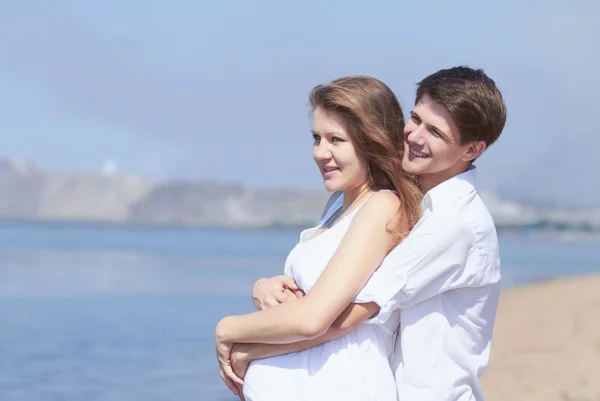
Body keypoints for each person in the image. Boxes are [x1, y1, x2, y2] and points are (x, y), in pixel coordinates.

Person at [235, 66, 507, 401]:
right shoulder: (409, 203)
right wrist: (266, 287)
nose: (415, 136)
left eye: (435, 132)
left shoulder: (454, 223)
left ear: (472, 150)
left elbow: (344, 316)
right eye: (416, 118)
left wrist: (242, 342)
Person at [214, 75, 423, 401]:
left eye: (335, 140)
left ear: (372, 140)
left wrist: (227, 329)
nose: (320, 152)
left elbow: (315, 318)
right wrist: (266, 287)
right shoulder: (339, 205)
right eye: (316, 138)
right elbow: (318, 297)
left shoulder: (383, 205)